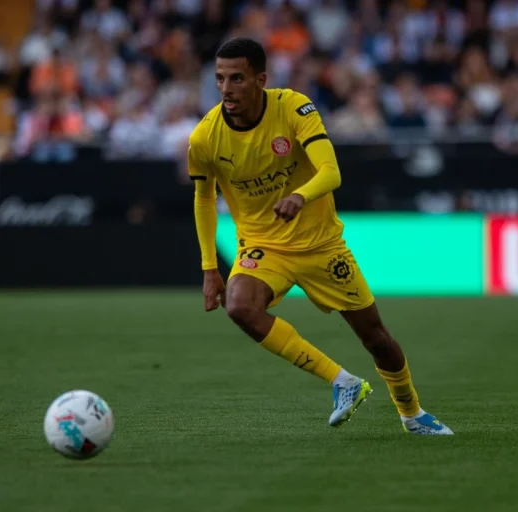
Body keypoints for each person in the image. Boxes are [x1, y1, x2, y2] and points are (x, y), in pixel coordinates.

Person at [188, 38, 453, 435]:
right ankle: (342, 381)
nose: (226, 89)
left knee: (376, 338)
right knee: (240, 307)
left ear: (260, 80)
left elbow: (331, 172)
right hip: (264, 245)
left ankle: (411, 413)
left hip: (321, 244)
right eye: (220, 78)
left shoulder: (294, 107)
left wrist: (300, 195)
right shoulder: (204, 138)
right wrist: (210, 268)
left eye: (237, 78)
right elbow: (204, 198)